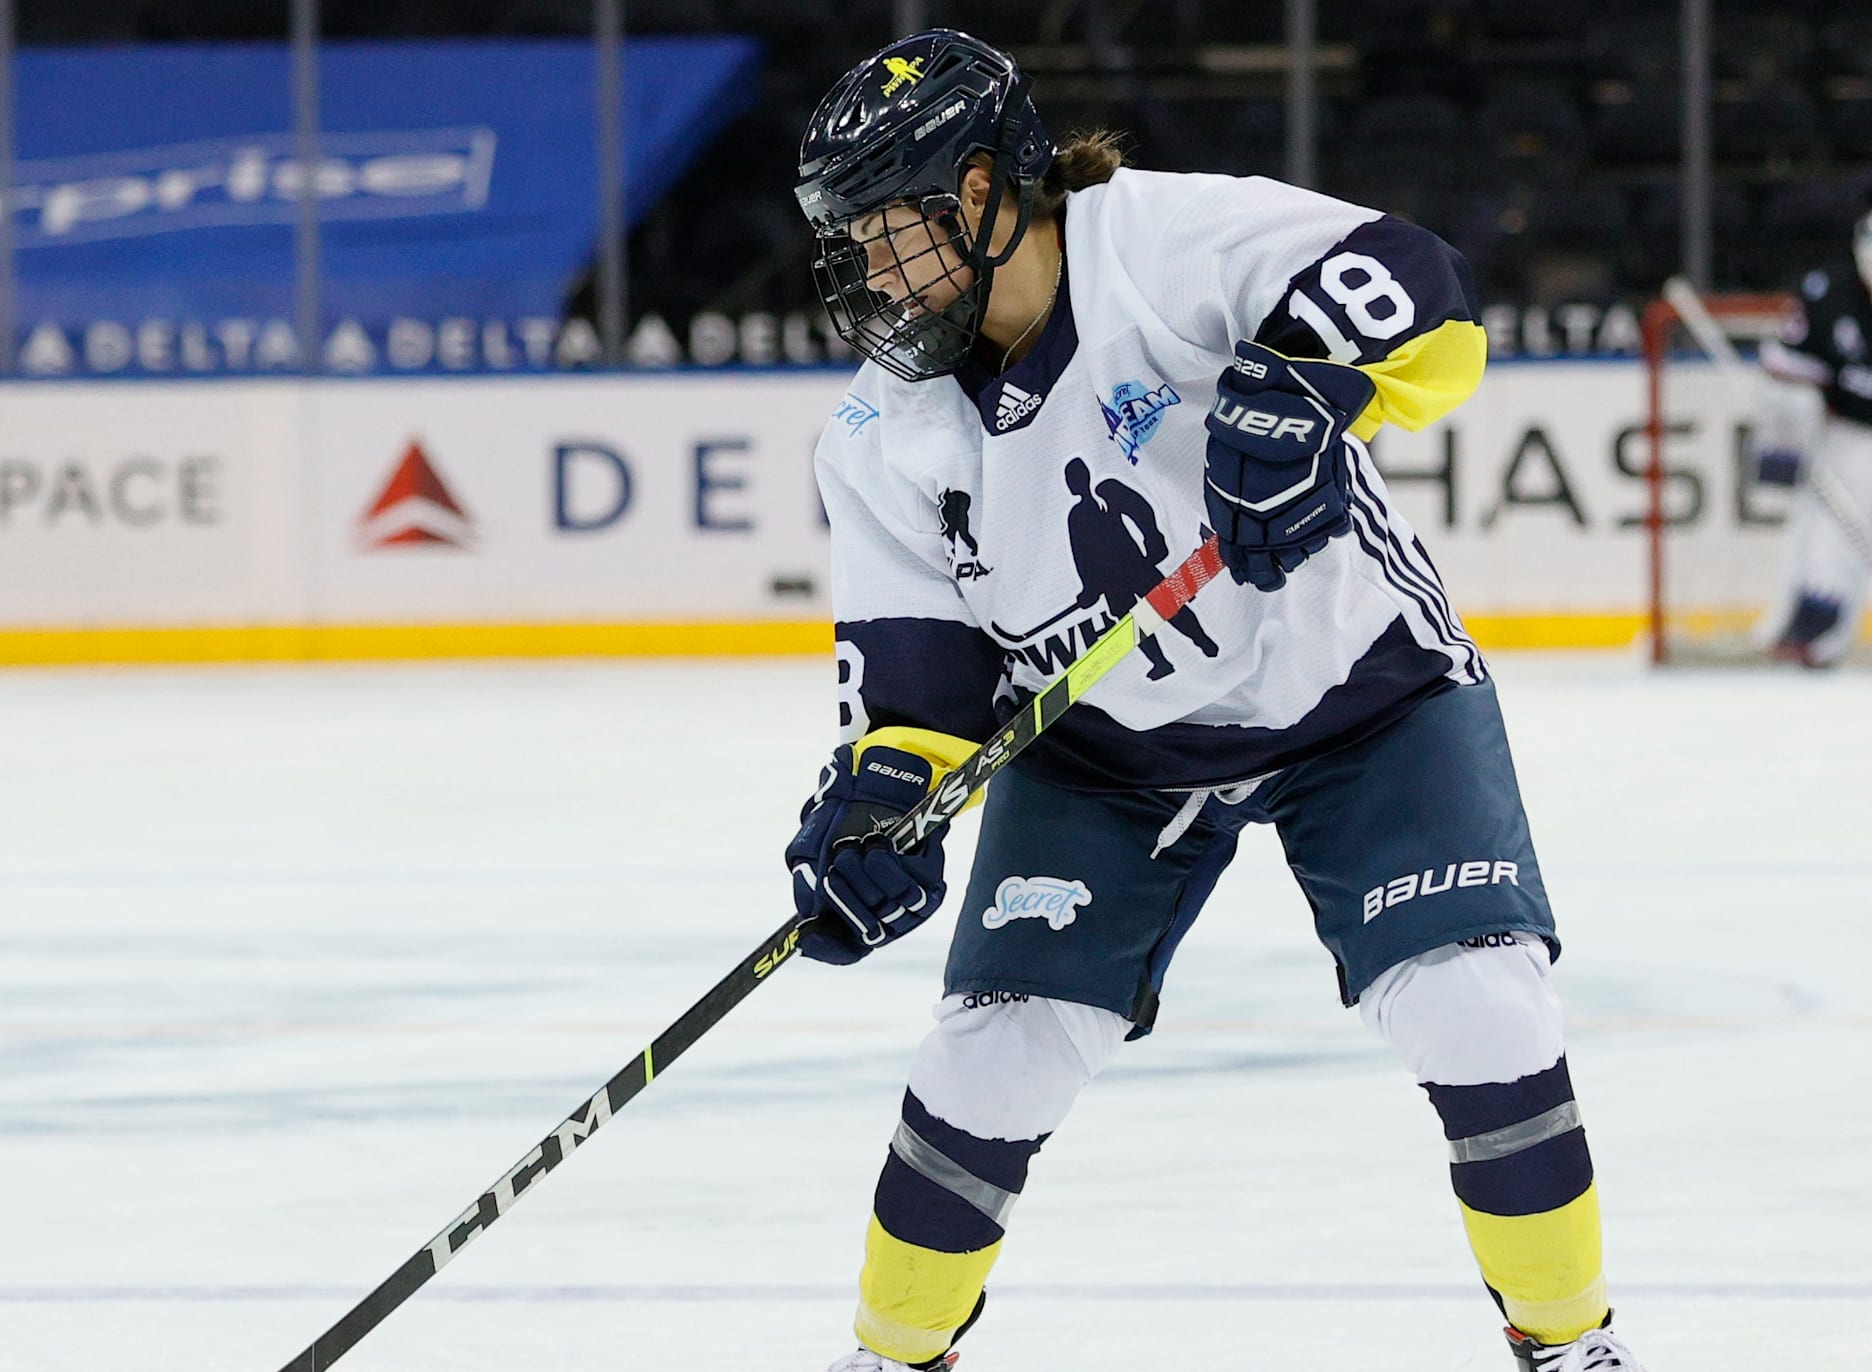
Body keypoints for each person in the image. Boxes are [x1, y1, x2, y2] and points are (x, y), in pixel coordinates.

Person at [781, 31, 1646, 1372]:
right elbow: (921, 685)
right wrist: (877, 810)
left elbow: (1431, 296)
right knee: (985, 1063)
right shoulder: (883, 431)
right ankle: (891, 1357)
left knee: (1480, 1012)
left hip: (1360, 695)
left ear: (981, 193)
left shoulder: (1165, 242)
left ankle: (1572, 1344)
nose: (870, 277)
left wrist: (1310, 390)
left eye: (887, 232)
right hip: (1104, 758)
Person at [1751, 205, 1872, 667]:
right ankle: (1812, 631)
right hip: (1846, 433)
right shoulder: (1830, 296)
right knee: (1824, 526)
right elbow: (1786, 381)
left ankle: (1814, 631)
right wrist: (1783, 444)